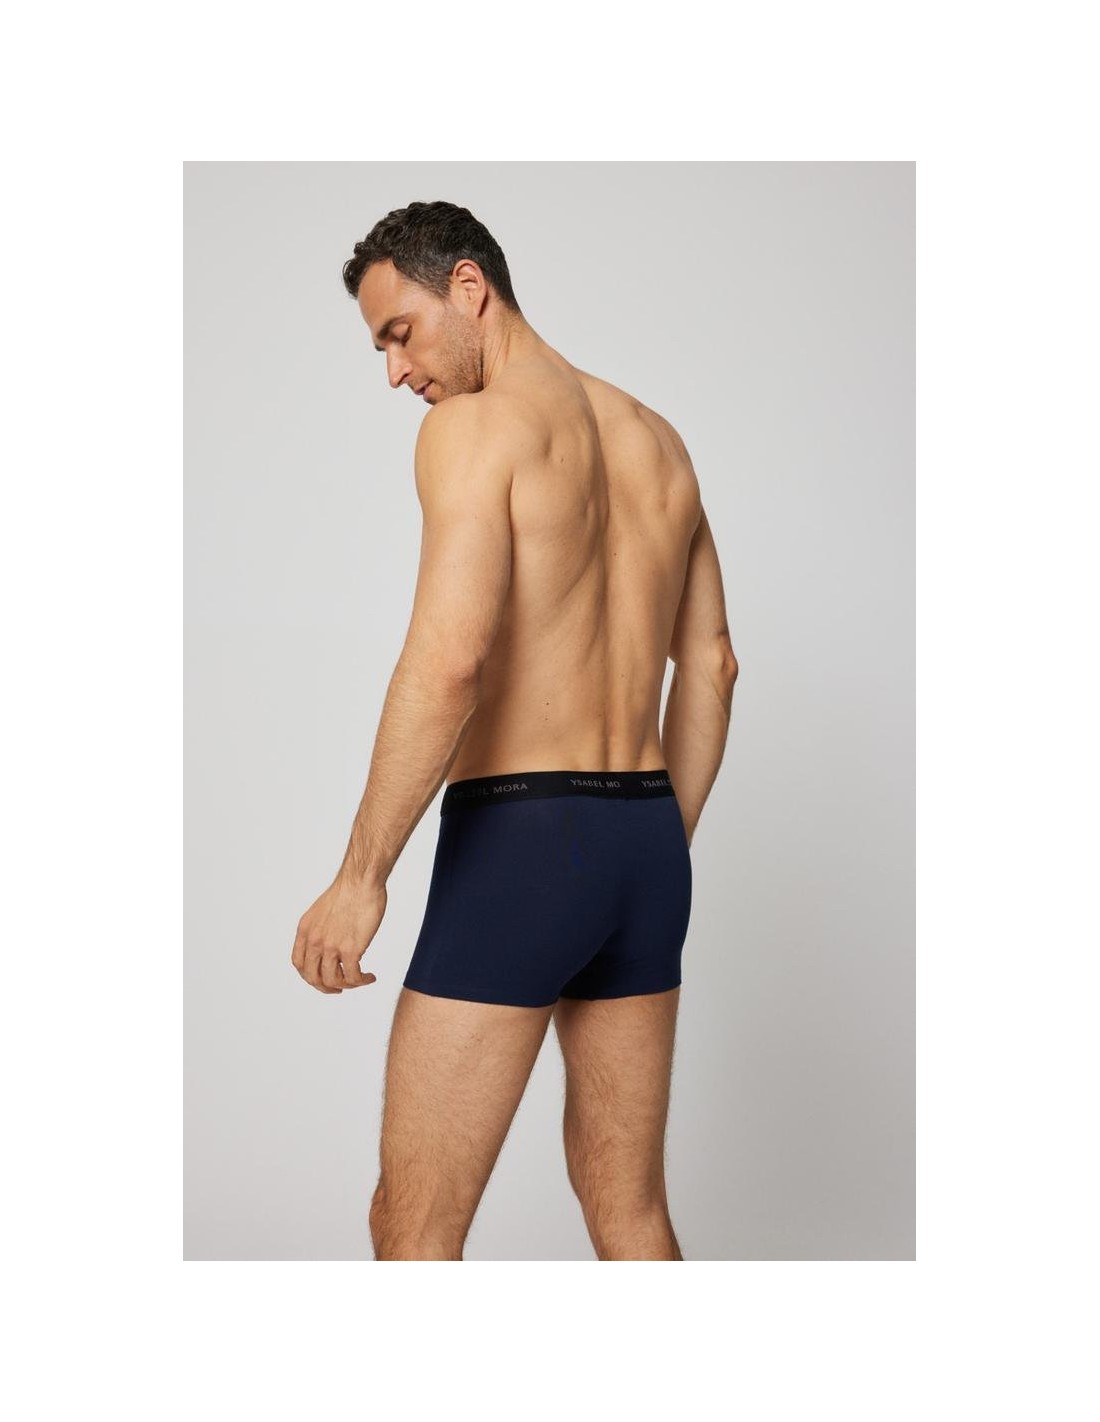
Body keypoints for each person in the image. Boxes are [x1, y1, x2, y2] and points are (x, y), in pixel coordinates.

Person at [291, 200, 739, 1260]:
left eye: (400, 334)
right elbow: (714, 665)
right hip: (644, 845)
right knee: (628, 1209)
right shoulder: (657, 440)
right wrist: (653, 844)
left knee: (414, 1223)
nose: (396, 373)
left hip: (523, 843)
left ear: (468, 286)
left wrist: (361, 877)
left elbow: (451, 659)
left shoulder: (474, 430)